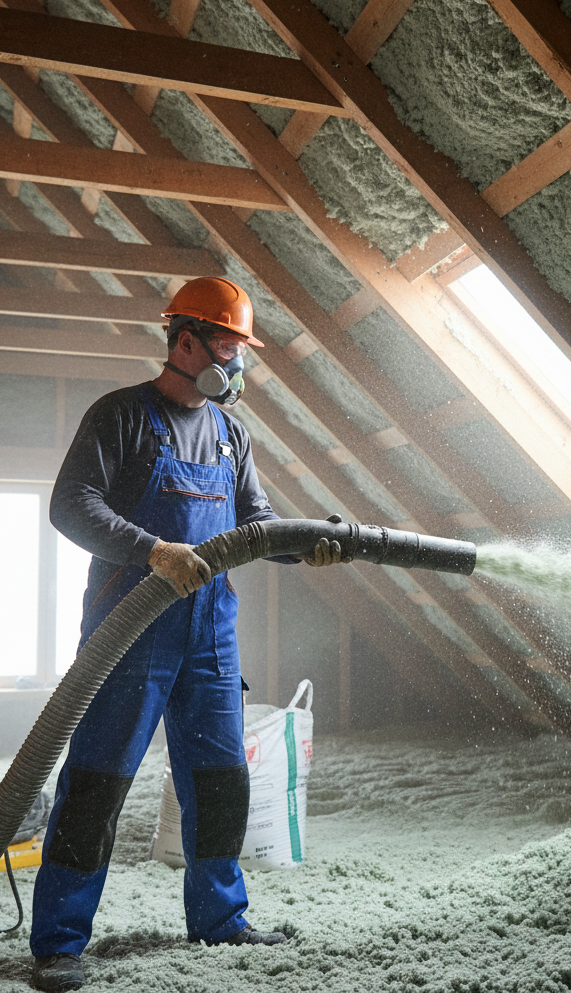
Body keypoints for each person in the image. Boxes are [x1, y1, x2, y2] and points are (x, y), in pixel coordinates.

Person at [29, 277, 348, 992]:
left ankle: (220, 920)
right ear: (184, 342)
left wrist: (308, 546)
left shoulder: (232, 435)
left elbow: (255, 524)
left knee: (220, 782)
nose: (238, 363)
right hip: (129, 631)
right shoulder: (121, 416)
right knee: (97, 784)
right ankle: (58, 943)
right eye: (228, 347)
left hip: (209, 637)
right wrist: (154, 551)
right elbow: (70, 505)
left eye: (240, 349)